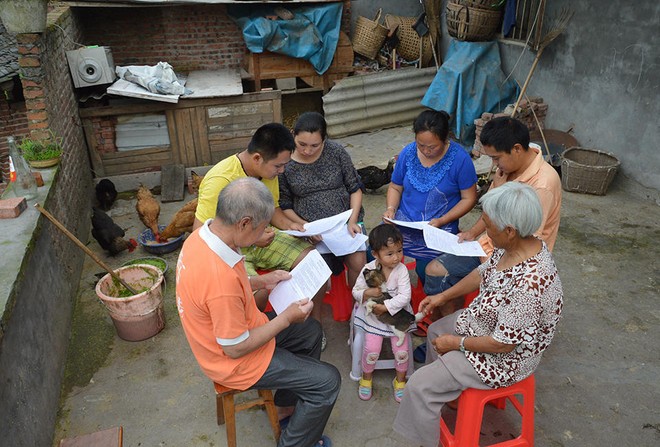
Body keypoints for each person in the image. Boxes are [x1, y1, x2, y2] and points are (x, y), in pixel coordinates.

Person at [393, 182, 563, 447]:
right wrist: (442, 296)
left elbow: (503, 344)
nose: (483, 228)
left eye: (488, 223)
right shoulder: (517, 246)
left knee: (418, 387)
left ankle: (428, 433)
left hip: (505, 360)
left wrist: (456, 344)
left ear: (509, 230)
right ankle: (447, 394)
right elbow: (482, 273)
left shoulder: (531, 283)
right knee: (437, 330)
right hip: (486, 323)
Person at [178, 177, 340, 447]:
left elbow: (220, 294)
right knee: (328, 381)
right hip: (233, 361)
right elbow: (236, 347)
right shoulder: (219, 281)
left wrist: (261, 281)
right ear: (243, 223)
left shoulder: (203, 237)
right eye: (263, 227)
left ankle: (285, 409)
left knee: (310, 331)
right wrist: (287, 317)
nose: (266, 234)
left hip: (240, 327)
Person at [193, 122, 330, 348]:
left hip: (263, 237)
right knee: (255, 293)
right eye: (278, 166)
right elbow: (200, 234)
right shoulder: (219, 180)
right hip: (227, 250)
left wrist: (292, 226)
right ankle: (252, 339)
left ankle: (312, 328)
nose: (282, 171)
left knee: (315, 265)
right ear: (257, 158)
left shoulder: (268, 172)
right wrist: (254, 239)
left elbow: (274, 210)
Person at [423, 116, 562, 316]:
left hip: (513, 257)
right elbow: (491, 212)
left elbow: (526, 241)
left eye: (496, 158)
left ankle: (459, 331)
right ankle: (450, 322)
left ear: (516, 149)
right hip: (492, 246)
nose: (494, 164)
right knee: (435, 271)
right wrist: (472, 233)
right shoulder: (507, 168)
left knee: (483, 301)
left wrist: (490, 264)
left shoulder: (543, 185)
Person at [382, 109, 478, 279]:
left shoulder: (460, 160)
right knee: (376, 254)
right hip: (403, 225)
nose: (426, 151)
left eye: (432, 146)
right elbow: (395, 187)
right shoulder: (408, 153)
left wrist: (443, 220)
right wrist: (391, 208)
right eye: (421, 145)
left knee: (428, 271)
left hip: (438, 229)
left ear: (445, 139)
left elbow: (469, 198)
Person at [279, 112, 366, 290]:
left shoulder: (336, 152)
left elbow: (354, 188)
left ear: (324, 140)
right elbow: (285, 205)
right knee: (316, 274)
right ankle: (318, 316)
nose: (307, 151)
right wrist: (306, 227)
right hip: (309, 229)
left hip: (344, 224)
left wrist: (352, 221)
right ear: (292, 134)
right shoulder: (284, 161)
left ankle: (356, 310)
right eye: (302, 144)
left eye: (314, 145)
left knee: (358, 262)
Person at [352, 224, 413, 403]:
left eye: (399, 251)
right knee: (371, 349)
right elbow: (355, 291)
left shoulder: (401, 270)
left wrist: (386, 306)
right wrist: (367, 293)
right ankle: (366, 377)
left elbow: (405, 297)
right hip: (374, 320)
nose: (396, 258)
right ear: (375, 254)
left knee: (401, 351)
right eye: (390, 254)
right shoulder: (368, 270)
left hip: (397, 317)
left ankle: (400, 380)